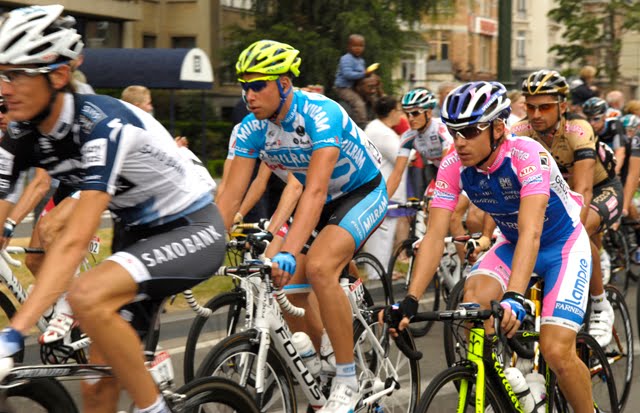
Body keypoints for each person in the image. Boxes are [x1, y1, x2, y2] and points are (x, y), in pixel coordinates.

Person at [0, 5, 225, 413]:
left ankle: (153, 408)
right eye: (2, 73)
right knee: (97, 385)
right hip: (136, 235)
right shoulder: (19, 131)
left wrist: (15, 330)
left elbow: (76, 240)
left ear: (59, 75)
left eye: (16, 74)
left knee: (87, 294)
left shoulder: (102, 126)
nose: (5, 87)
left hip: (190, 228)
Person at [385, 80, 596, 413]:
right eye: (454, 132)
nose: (459, 141)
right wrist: (410, 300)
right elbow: (435, 236)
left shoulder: (527, 155)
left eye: (470, 131)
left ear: (498, 128)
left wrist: (514, 296)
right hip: (512, 244)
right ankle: (513, 385)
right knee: (473, 304)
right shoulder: (454, 164)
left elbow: (531, 231)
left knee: (556, 351)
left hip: (561, 246)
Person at [218, 39, 387, 412]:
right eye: (244, 85)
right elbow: (229, 197)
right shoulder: (250, 130)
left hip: (360, 192)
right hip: (322, 203)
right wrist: (204, 245)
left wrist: (291, 251)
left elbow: (314, 191)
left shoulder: (320, 113)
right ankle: (323, 357)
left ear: (284, 84)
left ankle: (347, 379)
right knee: (287, 285)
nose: (249, 94)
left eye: (258, 85)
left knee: (320, 266)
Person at [512, 69, 620, 348]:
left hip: (599, 189)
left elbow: (583, 189)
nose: (536, 114)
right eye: (530, 106)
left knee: (581, 235)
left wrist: (574, 233)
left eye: (545, 107)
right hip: (558, 194)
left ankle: (599, 306)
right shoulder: (520, 131)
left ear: (562, 106)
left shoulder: (578, 129)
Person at [362, 95, 406, 277]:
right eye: (399, 110)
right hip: (386, 188)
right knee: (383, 236)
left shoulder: (374, 127)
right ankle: (377, 274)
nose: (401, 115)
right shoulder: (383, 132)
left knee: (381, 236)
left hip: (378, 187)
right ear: (392, 112)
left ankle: (381, 272)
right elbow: (404, 156)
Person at [385, 87, 453, 199]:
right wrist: (382, 203)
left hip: (458, 171)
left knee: (459, 215)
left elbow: (448, 166)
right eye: (407, 114)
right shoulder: (408, 136)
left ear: (429, 113)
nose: (410, 118)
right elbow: (397, 174)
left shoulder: (442, 129)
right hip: (438, 172)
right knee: (426, 210)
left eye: (415, 113)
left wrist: (437, 191)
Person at [582, 97, 627, 175]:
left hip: (624, 161)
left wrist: (613, 176)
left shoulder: (614, 124)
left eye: (596, 119)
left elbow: (620, 152)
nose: (591, 123)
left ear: (605, 116)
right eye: (588, 119)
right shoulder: (586, 127)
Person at [333, 34, 371, 128]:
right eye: (355, 46)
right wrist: (363, 74)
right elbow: (348, 74)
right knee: (358, 103)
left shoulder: (361, 60)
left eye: (360, 46)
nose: (358, 49)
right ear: (348, 46)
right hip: (343, 88)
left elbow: (361, 75)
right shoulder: (346, 59)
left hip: (355, 87)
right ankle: (361, 124)